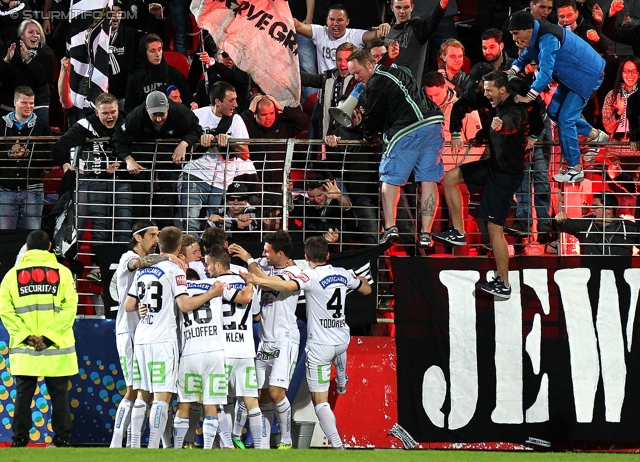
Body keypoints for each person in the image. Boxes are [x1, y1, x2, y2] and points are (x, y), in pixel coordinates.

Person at [244, 236, 371, 450]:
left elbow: (287, 285)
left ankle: (339, 446)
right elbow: (366, 289)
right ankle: (341, 379)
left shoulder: (309, 276)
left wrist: (258, 280)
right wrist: (355, 278)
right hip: (341, 339)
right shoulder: (342, 273)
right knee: (339, 353)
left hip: (320, 345)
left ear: (306, 256)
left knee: (319, 401)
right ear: (328, 255)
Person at [123, 226, 224, 449]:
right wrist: (211, 293)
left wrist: (144, 305)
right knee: (162, 396)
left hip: (141, 337)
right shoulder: (174, 269)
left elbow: (129, 305)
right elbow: (185, 304)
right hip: (162, 339)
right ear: (179, 248)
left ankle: (133, 446)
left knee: (142, 394)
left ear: (160, 245)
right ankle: (151, 447)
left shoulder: (144, 269)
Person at [433, 71, 530, 300]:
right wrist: (479, 135)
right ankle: (458, 232)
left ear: (502, 90)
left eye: (489, 90)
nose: (485, 94)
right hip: (492, 167)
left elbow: (511, 124)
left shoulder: (516, 110)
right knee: (450, 178)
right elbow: (471, 108)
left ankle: (504, 284)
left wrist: (500, 125)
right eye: (484, 89)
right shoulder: (494, 104)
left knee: (495, 229)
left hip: (506, 176)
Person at [347, 49, 445, 247]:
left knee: (389, 179)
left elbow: (373, 119)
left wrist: (366, 133)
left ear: (368, 64)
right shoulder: (399, 70)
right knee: (428, 180)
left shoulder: (376, 83)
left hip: (406, 130)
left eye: (358, 73)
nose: (357, 78)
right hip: (434, 126)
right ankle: (426, 234)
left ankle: (390, 228)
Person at [109, 220, 186, 448]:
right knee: (136, 390)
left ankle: (160, 445)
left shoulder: (150, 268)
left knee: (150, 393)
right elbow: (139, 263)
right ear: (137, 238)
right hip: (130, 331)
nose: (155, 239)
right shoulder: (128, 259)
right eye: (152, 235)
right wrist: (169, 257)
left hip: (144, 328)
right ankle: (118, 443)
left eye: (158, 236)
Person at [507, 10, 607, 183]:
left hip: (587, 75)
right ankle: (595, 135)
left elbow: (545, 74)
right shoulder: (535, 34)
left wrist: (529, 96)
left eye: (516, 34)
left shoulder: (548, 38)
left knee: (566, 120)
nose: (515, 39)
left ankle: (575, 169)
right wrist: (512, 70)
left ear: (528, 29)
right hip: (572, 76)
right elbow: (526, 55)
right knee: (554, 112)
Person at [0, 230, 78, 447]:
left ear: (26, 247)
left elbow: (5, 311)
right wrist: (49, 337)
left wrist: (26, 336)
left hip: (26, 349)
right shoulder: (63, 273)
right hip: (57, 348)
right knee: (59, 396)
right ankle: (62, 440)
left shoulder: (11, 275)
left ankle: (19, 440)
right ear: (50, 246)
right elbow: (69, 309)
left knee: (23, 396)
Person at [172, 247, 254, 450]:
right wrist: (250, 281)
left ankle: (176, 449)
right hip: (214, 352)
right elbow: (244, 298)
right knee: (211, 404)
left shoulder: (179, 290)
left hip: (189, 352)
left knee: (184, 404)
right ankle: (208, 450)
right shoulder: (215, 284)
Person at [228, 230, 302, 450]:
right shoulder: (264, 264)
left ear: (280, 253)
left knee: (276, 392)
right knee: (253, 392)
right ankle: (250, 441)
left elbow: (268, 283)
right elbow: (247, 271)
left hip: (285, 340)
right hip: (265, 341)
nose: (263, 254)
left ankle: (286, 441)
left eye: (267, 251)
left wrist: (249, 260)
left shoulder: (292, 272)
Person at [111, 90, 202, 228]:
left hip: (170, 159)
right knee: (141, 202)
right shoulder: (135, 117)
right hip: (142, 160)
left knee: (167, 200)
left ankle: (165, 241)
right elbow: (117, 140)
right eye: (154, 115)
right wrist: (128, 159)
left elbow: (196, 130)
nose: (159, 119)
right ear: (147, 109)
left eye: (162, 114)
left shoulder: (181, 113)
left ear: (168, 107)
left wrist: (184, 144)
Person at [202, 246, 263, 450]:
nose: (206, 269)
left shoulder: (213, 285)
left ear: (218, 265)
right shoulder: (248, 283)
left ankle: (226, 445)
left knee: (219, 401)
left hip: (222, 351)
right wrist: (249, 283)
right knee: (251, 401)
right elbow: (255, 314)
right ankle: (262, 450)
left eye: (208, 264)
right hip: (245, 349)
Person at [52, 92, 132, 245]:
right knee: (99, 226)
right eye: (105, 113)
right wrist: (65, 164)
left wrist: (122, 163)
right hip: (93, 181)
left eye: (113, 112)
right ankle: (97, 265)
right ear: (97, 112)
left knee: (124, 223)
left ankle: (123, 262)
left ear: (118, 109)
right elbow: (61, 144)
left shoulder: (128, 123)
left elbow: (139, 147)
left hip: (122, 180)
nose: (110, 117)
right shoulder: (86, 124)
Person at [181, 81, 251, 235]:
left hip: (222, 180)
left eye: (235, 99)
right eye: (231, 100)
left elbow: (245, 154)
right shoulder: (196, 115)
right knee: (190, 222)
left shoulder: (236, 120)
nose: (236, 104)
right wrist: (200, 141)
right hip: (195, 174)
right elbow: (183, 148)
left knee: (216, 228)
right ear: (218, 102)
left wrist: (230, 142)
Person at [0, 85, 52, 230]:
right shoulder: (1, 124)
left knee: (32, 233)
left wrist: (28, 153)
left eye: (31, 103)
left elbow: (50, 156)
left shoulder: (42, 127)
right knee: (5, 237)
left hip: (33, 190)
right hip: (5, 190)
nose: (29, 106)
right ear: (15, 102)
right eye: (24, 102)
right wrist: (9, 154)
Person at [293, 4, 385, 74]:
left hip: (349, 87)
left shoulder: (354, 35)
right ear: (326, 21)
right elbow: (297, 25)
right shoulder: (321, 32)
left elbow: (376, 35)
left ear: (347, 22)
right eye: (332, 19)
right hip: (326, 86)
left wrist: (384, 28)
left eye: (339, 20)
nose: (335, 23)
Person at [380, 0, 448, 81]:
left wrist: (442, 5)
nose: (402, 11)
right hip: (387, 86)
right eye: (398, 7)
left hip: (409, 88)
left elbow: (434, 20)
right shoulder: (386, 30)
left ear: (412, 7)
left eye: (406, 7)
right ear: (392, 8)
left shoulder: (419, 29)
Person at [0, 19, 53, 123]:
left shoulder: (45, 52)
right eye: (30, 32)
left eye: (38, 33)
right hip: (10, 103)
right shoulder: (9, 48)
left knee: (38, 138)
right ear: (21, 35)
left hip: (37, 103)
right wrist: (6, 60)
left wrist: (28, 60)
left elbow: (43, 79)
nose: (35, 35)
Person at [124, 33, 192, 113]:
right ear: (144, 53)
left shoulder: (175, 74)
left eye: (159, 50)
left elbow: (187, 101)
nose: (157, 54)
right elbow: (130, 109)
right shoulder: (135, 79)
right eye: (152, 51)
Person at [555, 193, 640, 255]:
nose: (592, 210)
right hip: (593, 276)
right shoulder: (586, 224)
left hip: (619, 276)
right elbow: (569, 225)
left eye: (596, 207)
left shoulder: (629, 228)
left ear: (609, 210)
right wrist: (561, 221)